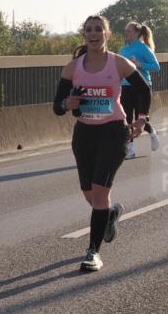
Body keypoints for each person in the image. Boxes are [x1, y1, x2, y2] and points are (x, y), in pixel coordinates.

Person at [53, 15, 151, 272]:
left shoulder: (119, 63)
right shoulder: (73, 68)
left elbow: (144, 90)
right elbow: (57, 106)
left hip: (113, 133)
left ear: (107, 35)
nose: (93, 33)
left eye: (99, 29)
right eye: (89, 30)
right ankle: (110, 214)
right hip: (84, 135)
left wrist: (141, 120)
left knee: (99, 192)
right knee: (89, 194)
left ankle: (93, 252)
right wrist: (67, 104)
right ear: (83, 35)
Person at [120, 21, 162, 159]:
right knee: (126, 118)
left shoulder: (143, 48)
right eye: (125, 31)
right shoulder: (123, 50)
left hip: (142, 87)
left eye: (129, 31)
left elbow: (156, 67)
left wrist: (140, 65)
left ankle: (152, 132)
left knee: (140, 118)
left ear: (137, 33)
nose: (126, 33)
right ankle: (130, 149)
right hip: (125, 87)